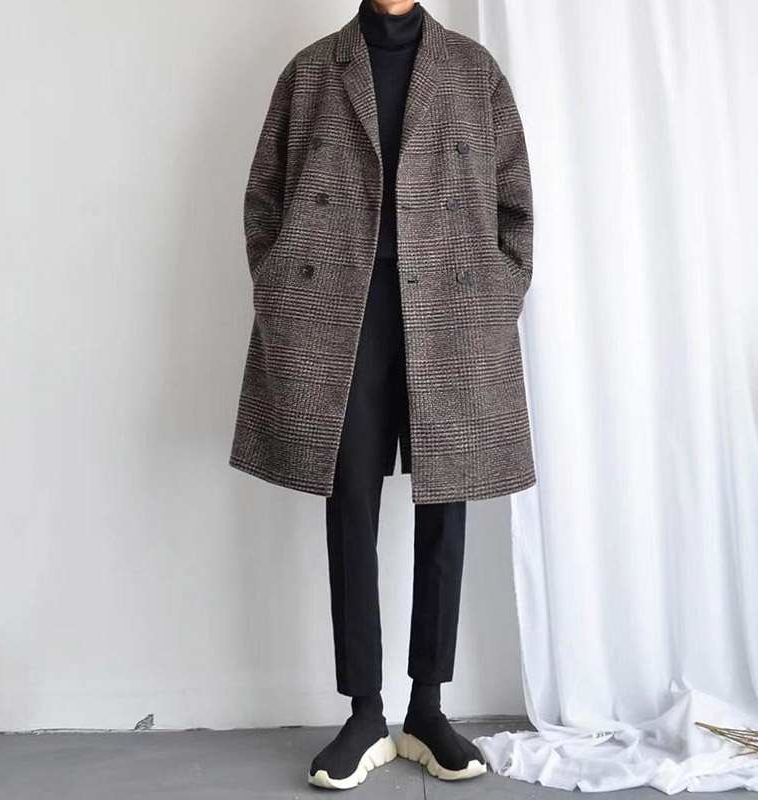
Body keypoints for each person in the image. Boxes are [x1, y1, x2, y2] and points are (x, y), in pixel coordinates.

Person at [229, 0, 535, 789]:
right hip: (343, 313)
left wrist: (494, 297)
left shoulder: (472, 71)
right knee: (350, 502)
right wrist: (281, 290)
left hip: (451, 310)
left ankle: (428, 708)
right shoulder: (312, 71)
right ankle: (365, 712)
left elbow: (515, 205)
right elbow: (264, 201)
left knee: (446, 506)